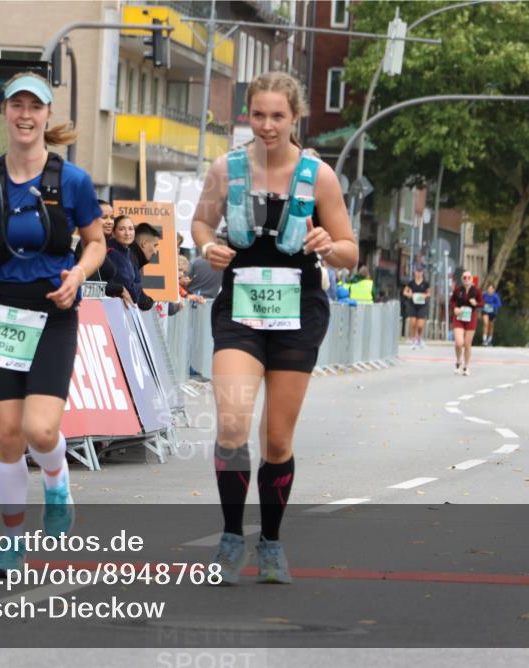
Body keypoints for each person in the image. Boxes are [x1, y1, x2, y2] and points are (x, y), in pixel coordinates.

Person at [191, 71, 357, 585]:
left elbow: (351, 252)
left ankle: (271, 543)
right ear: (248, 114)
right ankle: (229, 537)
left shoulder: (319, 176)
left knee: (277, 440)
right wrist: (206, 247)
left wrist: (328, 246)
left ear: (295, 117)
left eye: (277, 116)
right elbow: (200, 223)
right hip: (240, 307)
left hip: (297, 312)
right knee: (234, 425)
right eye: (258, 115)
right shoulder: (226, 169)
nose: (266, 126)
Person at [0, 72, 104, 576]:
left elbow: (97, 242)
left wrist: (78, 273)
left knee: (40, 429)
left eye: (35, 107)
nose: (26, 115)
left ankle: (56, 480)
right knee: (8, 435)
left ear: (47, 116)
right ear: (5, 113)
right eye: (17, 106)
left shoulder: (71, 181)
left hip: (53, 308)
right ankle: (13, 539)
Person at [106, 215, 154, 310]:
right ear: (114, 233)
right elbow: (132, 291)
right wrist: (136, 286)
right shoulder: (112, 252)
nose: (127, 233)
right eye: (122, 229)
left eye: (131, 229)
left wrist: (136, 286)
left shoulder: (130, 254)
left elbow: (137, 283)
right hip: (112, 309)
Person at [451, 271, 483, 376]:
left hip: (470, 317)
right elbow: (452, 301)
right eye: (464, 277)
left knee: (467, 344)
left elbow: (482, 303)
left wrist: (476, 303)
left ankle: (466, 367)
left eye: (469, 277)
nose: (467, 279)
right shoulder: (458, 290)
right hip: (459, 317)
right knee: (459, 343)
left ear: (472, 279)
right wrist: (455, 308)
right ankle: (458, 360)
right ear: (462, 279)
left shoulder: (476, 291)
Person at [402, 266, 430, 349]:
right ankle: (414, 340)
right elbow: (404, 292)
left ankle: (420, 338)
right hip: (412, 304)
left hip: (422, 305)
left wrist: (425, 295)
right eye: (417, 272)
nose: (418, 273)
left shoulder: (425, 283)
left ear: (422, 273)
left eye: (420, 272)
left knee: (420, 325)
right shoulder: (411, 283)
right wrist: (409, 294)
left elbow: (429, 293)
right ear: (415, 273)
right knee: (413, 323)